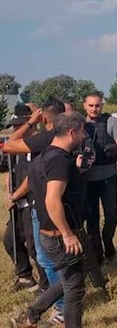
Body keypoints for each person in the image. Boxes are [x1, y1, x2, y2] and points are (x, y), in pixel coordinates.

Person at [11, 111, 89, 328]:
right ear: (72, 133)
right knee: (75, 289)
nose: (84, 136)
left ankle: (33, 313)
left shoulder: (44, 156)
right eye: (82, 132)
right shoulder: (59, 161)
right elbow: (52, 200)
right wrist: (68, 234)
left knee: (71, 278)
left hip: (51, 234)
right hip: (58, 236)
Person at [4, 99, 67, 325]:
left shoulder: (48, 139)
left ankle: (61, 305)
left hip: (44, 205)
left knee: (51, 258)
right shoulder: (54, 137)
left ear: (44, 117)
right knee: (45, 257)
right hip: (38, 204)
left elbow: (9, 144)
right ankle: (57, 300)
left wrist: (32, 121)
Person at [2, 105, 48, 293]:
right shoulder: (18, 146)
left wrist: (15, 196)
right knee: (10, 241)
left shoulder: (38, 144)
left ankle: (47, 286)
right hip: (18, 203)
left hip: (31, 202)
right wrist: (9, 191)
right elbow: (10, 172)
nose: (15, 129)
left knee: (35, 248)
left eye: (18, 125)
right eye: (13, 126)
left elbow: (31, 179)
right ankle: (25, 276)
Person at [82, 91, 117, 264]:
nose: (94, 109)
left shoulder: (111, 122)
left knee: (112, 215)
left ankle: (107, 239)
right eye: (91, 105)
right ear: (85, 106)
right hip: (88, 179)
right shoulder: (79, 124)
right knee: (92, 220)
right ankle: (98, 255)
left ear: (102, 105)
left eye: (97, 105)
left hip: (108, 176)